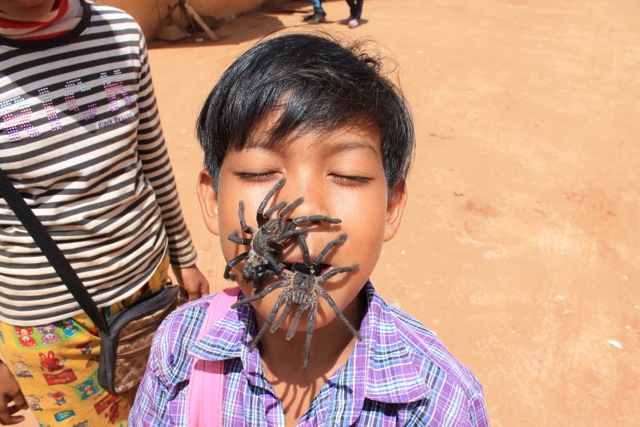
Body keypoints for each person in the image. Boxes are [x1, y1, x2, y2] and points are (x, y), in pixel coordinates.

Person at [130, 31, 489, 426]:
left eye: (348, 175)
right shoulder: (179, 346)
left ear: (391, 206)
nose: (305, 213)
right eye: (258, 171)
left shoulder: (441, 402)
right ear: (214, 201)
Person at [0, 0, 209, 425]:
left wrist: (184, 256)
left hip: (148, 292)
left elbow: (150, 158)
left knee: (165, 414)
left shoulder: (119, 32)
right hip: (50, 330)